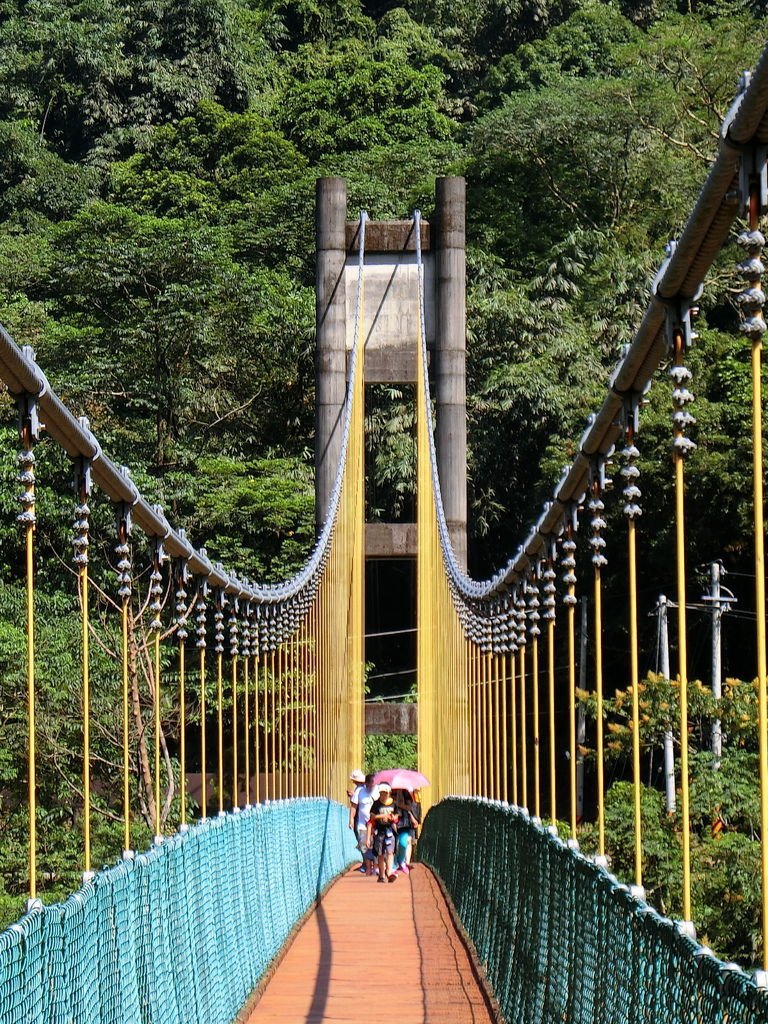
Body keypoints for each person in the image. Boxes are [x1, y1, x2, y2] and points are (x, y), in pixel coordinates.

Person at [367, 783, 399, 883]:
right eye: (381, 793)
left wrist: (393, 818)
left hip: (390, 830)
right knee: (380, 853)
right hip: (379, 831)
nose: (383, 795)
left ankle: (389, 873)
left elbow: (397, 816)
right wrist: (382, 816)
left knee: (390, 852)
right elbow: (372, 817)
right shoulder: (376, 804)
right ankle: (381, 875)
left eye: (385, 793)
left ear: (388, 793)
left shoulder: (394, 803)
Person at [350, 772, 378, 875]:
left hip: (375, 824)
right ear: (365, 783)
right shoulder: (359, 791)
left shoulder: (377, 792)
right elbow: (353, 806)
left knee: (375, 845)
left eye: (373, 784)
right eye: (369, 784)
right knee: (364, 845)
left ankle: (375, 867)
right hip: (362, 824)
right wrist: (351, 820)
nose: (371, 786)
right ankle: (368, 867)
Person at [392, 789, 419, 874]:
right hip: (391, 822)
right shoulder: (388, 793)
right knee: (392, 845)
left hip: (403, 821)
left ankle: (401, 861)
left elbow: (409, 807)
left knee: (403, 842)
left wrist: (399, 804)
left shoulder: (405, 793)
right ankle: (394, 864)